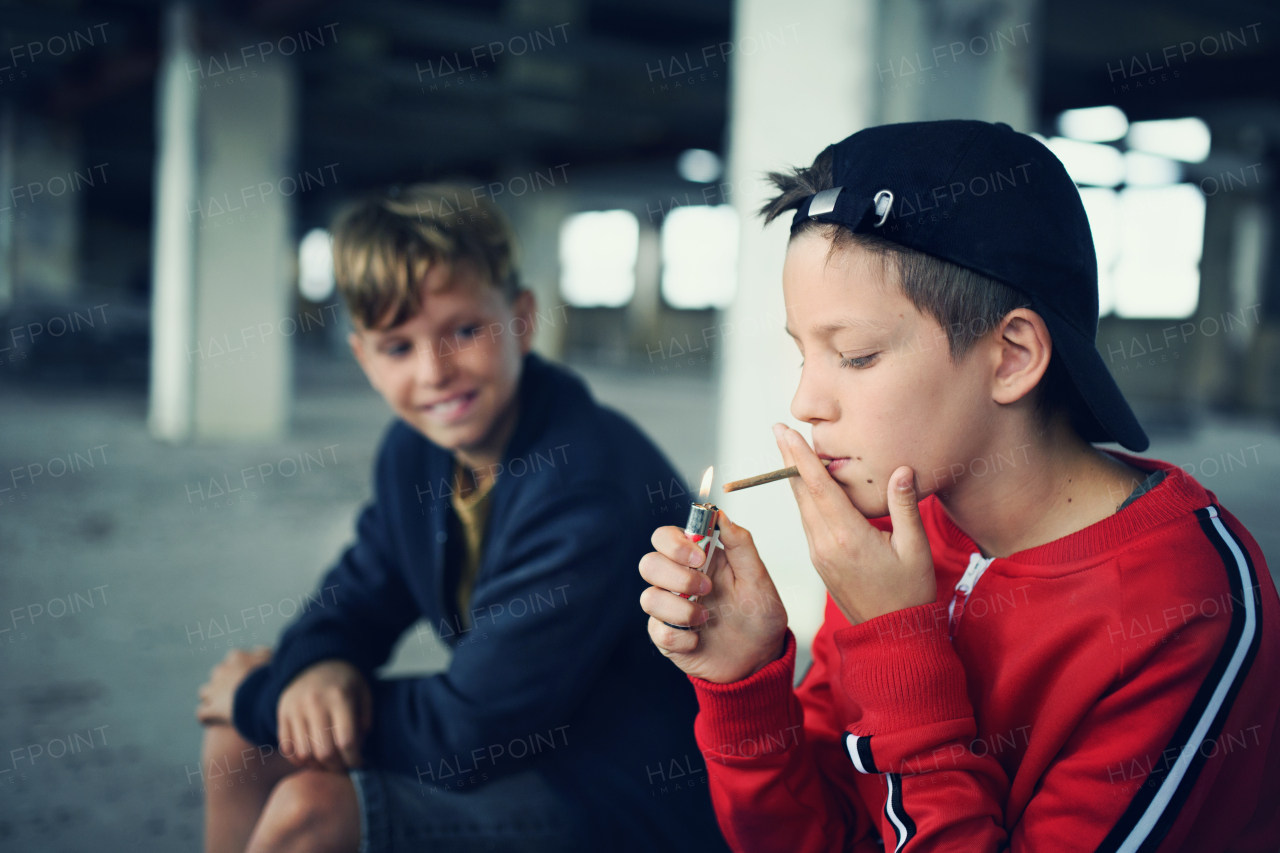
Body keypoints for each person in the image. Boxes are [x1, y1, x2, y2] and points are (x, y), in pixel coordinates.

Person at [638, 120, 1280, 851]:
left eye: (855, 354)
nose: (805, 403)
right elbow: (818, 836)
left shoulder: (1189, 605)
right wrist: (748, 682)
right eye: (802, 352)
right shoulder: (892, 529)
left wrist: (900, 643)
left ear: (1010, 357)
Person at [196, 185, 729, 853]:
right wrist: (320, 663)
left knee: (313, 807)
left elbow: (467, 734)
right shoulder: (418, 451)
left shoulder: (582, 479)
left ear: (523, 318)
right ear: (364, 357)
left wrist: (261, 694)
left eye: (465, 330)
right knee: (238, 743)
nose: (435, 372)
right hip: (521, 741)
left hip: (624, 791)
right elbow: (358, 592)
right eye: (397, 346)